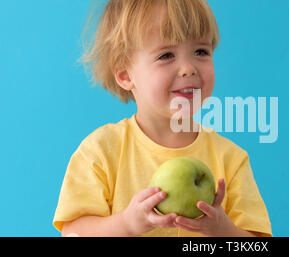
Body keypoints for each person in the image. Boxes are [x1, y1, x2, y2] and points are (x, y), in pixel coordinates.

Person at [53, 0, 272, 237]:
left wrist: (222, 230)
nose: (188, 68)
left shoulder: (230, 160)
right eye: (166, 55)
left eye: (201, 51)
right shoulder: (100, 153)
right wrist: (126, 224)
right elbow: (73, 234)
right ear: (126, 74)